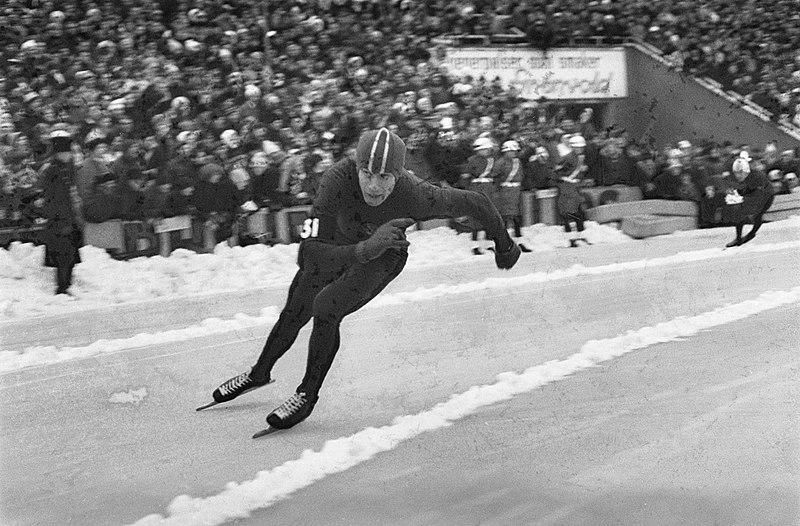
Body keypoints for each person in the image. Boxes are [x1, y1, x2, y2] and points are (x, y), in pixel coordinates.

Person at [203, 128, 522, 431]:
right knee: (296, 309)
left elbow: (476, 202)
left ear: (398, 176)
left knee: (326, 307)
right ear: (356, 168)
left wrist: (504, 244)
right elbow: (309, 255)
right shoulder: (336, 180)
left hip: (385, 255)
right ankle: (259, 374)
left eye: (384, 177)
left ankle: (306, 395)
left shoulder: (416, 195)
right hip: (340, 247)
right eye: (366, 173)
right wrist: (363, 248)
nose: (373, 185)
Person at [38, 127, 83, 295]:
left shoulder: (65, 168)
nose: (70, 155)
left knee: (69, 256)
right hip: (59, 221)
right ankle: (62, 287)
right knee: (63, 257)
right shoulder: (52, 171)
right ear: (60, 153)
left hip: (67, 219)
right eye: (67, 152)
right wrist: (62, 220)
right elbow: (52, 199)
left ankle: (66, 285)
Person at [722, 155, 775, 248]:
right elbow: (737, 190)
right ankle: (738, 238)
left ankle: (752, 233)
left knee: (756, 215)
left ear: (746, 171)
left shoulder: (758, 176)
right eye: (736, 173)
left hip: (767, 195)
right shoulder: (737, 178)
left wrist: (745, 199)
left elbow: (759, 196)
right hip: (751, 193)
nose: (738, 176)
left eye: (740, 173)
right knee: (738, 212)